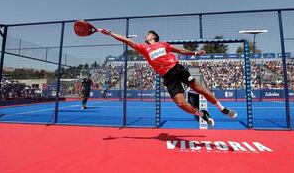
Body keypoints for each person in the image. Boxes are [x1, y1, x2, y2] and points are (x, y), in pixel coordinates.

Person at [99, 29, 237, 126]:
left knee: (199, 88)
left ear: (153, 37)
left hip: (177, 68)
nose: (145, 37)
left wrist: (195, 52)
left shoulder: (163, 44)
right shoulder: (143, 48)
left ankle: (223, 109)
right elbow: (127, 41)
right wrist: (111, 33)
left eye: (147, 35)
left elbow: (181, 50)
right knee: (181, 104)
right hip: (167, 77)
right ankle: (203, 115)